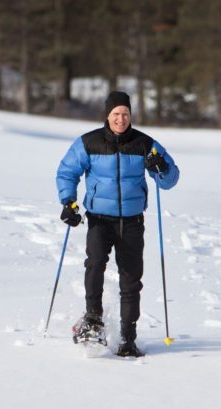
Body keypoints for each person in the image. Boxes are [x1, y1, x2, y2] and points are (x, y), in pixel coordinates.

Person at [56, 91, 180, 357]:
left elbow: (169, 180)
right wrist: (68, 202)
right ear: (107, 115)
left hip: (132, 221)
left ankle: (128, 338)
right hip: (99, 219)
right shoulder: (88, 143)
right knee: (95, 264)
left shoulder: (145, 144)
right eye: (116, 114)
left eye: (125, 114)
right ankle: (93, 320)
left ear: (131, 115)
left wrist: (162, 167)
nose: (121, 119)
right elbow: (67, 172)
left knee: (131, 278)